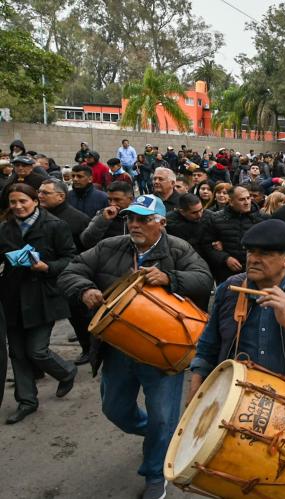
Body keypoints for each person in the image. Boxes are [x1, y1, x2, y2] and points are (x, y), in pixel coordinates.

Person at [58, 194, 213, 499]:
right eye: (131, 218)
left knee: (162, 416)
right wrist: (85, 289)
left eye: (144, 219)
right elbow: (71, 270)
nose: (135, 224)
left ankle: (155, 474)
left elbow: (204, 278)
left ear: (162, 223)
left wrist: (171, 277)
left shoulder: (179, 249)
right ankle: (157, 437)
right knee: (115, 409)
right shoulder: (109, 246)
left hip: (163, 351)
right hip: (119, 347)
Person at [189, 218, 285, 403]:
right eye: (250, 252)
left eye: (264, 253)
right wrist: (195, 392)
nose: (253, 259)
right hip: (236, 401)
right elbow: (208, 346)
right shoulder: (230, 288)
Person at [0, 184, 78, 424]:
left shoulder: (55, 225)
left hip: (43, 296)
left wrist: (47, 267)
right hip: (11, 297)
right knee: (17, 353)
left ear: (35, 201)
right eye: (13, 202)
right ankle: (27, 401)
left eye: (23, 201)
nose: (18, 206)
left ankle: (66, 371)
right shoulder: (4, 228)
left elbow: (71, 259)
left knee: (36, 350)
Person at [38, 179, 92, 363]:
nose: (40, 196)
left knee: (78, 316)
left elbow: (86, 250)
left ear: (61, 196)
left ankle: (89, 348)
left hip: (72, 275)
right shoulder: (38, 216)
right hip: (44, 275)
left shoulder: (78, 219)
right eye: (40, 192)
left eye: (46, 193)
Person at [204, 185, 264, 282]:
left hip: (256, 271)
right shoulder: (216, 219)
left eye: (248, 198)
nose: (247, 202)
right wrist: (225, 258)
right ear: (231, 202)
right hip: (226, 273)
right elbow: (206, 245)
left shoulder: (262, 219)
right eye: (242, 199)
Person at [80, 181, 135, 248]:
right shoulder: (103, 214)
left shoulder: (141, 216)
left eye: (117, 200)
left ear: (131, 199)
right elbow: (86, 242)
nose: (112, 204)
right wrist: (103, 220)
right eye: (109, 200)